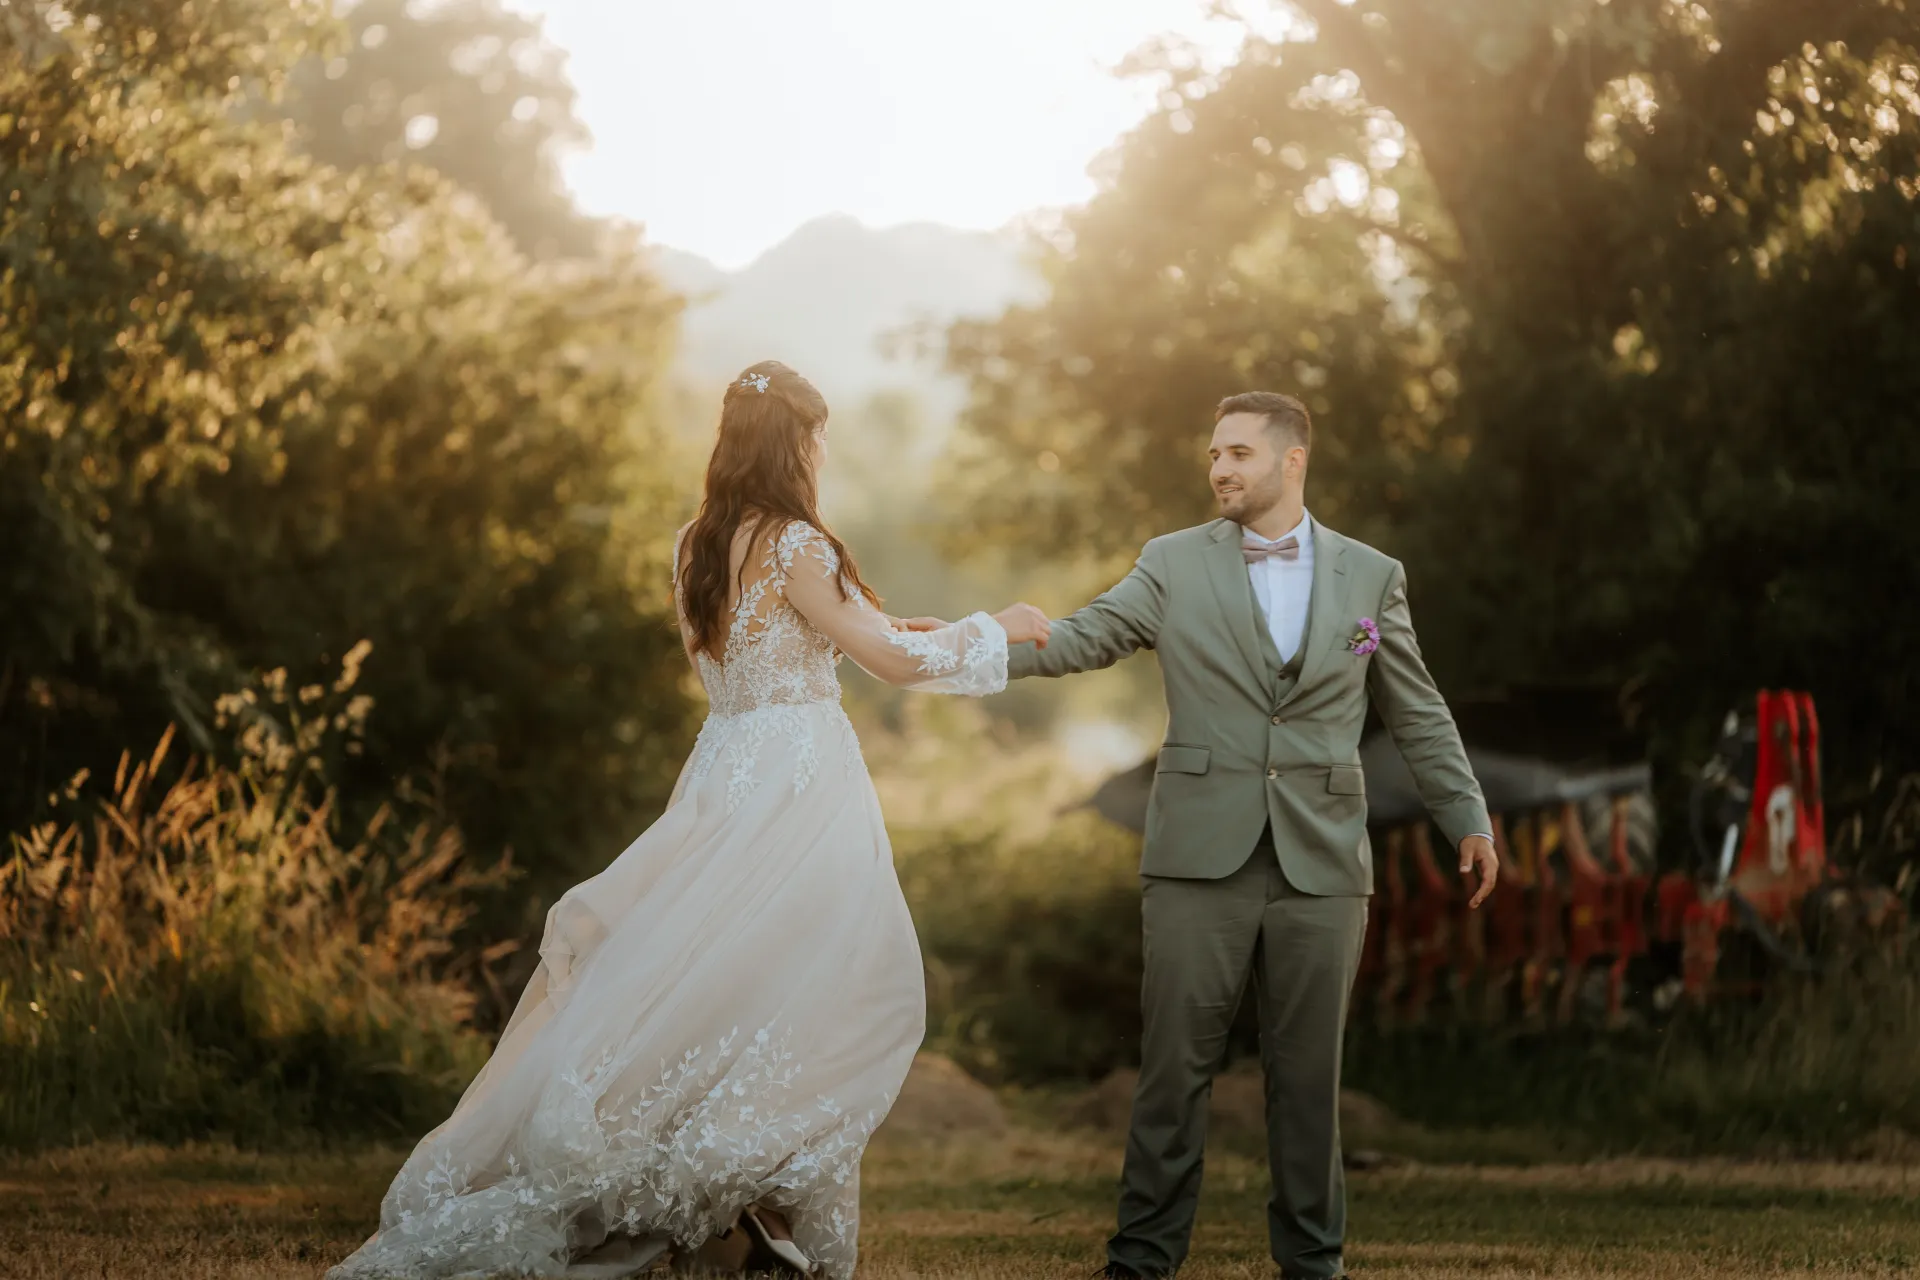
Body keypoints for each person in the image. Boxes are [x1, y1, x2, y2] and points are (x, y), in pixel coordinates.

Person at [328, 360, 1050, 1280]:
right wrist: (997, 625)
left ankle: (754, 1218)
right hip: (799, 787)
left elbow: (810, 637)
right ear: (797, 441)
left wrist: (912, 623)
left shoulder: (696, 545)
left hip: (723, 775)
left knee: (720, 989)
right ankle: (747, 1202)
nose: (825, 452)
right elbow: (885, 661)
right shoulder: (798, 544)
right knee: (831, 994)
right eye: (820, 436)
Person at [910, 391, 1496, 1280]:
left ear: (1292, 459)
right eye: (1214, 455)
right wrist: (960, 648)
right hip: (1197, 858)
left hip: (1325, 863)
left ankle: (1314, 1265)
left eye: (1239, 454)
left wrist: (1469, 817)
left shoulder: (1372, 579)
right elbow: (1083, 638)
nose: (1220, 469)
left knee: (1307, 1088)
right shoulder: (1172, 563)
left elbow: (1415, 710)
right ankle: (1140, 1265)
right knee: (1171, 1076)